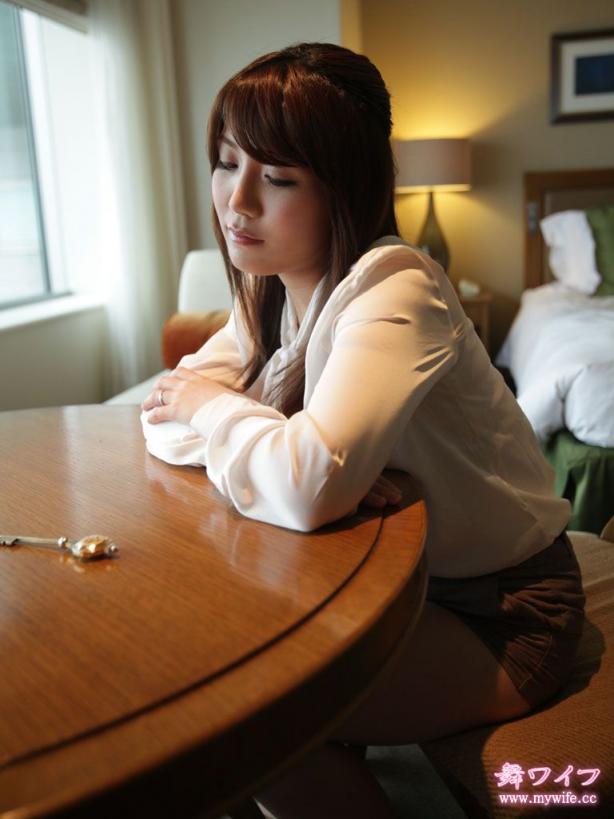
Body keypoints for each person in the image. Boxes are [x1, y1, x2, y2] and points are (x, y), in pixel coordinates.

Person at [141, 42, 585, 819]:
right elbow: (161, 412)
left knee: (249, 722)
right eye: (226, 163)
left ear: (345, 188)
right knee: (215, 662)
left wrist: (245, 428)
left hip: (502, 611)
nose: (237, 200)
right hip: (384, 580)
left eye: (278, 178)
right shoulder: (270, 291)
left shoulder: (396, 288)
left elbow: (303, 483)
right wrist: (277, 444)